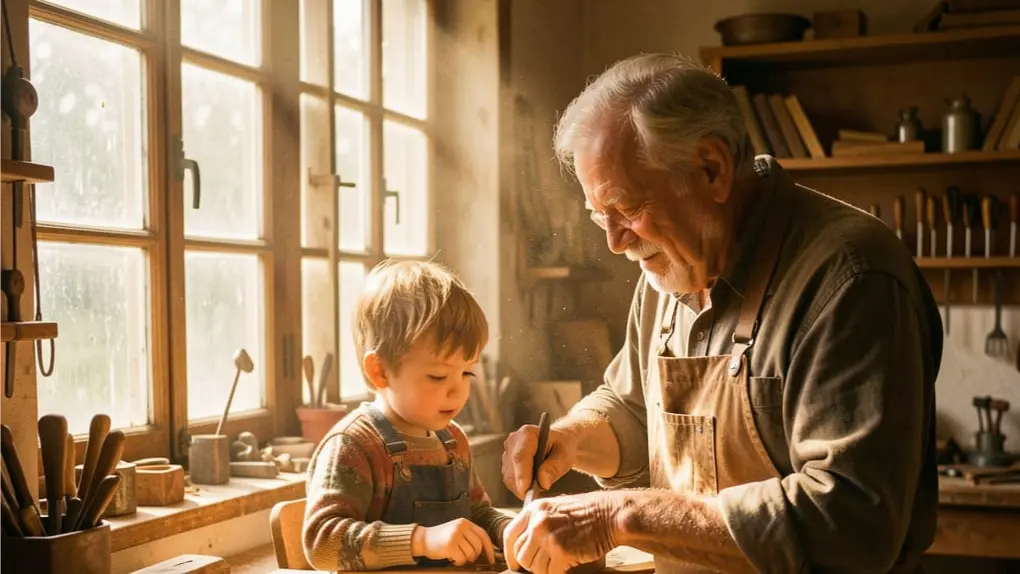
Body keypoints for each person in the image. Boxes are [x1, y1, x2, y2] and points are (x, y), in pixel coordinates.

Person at [500, 54, 943, 574]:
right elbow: (635, 408)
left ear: (712, 169)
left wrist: (616, 516)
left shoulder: (851, 278)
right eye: (599, 216)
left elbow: (849, 524)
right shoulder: (669, 268)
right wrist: (573, 439)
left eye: (626, 208)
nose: (615, 243)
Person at [303, 260, 511, 571]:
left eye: (467, 373)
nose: (458, 392)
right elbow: (322, 544)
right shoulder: (354, 445)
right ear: (380, 371)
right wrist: (423, 540)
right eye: (439, 377)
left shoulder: (453, 441)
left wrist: (508, 529)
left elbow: (477, 512)